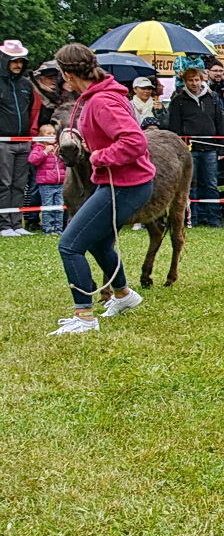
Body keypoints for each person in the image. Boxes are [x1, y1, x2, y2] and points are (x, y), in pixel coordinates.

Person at [45, 45, 156, 334]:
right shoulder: (97, 97)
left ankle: (84, 318)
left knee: (69, 245)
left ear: (67, 74)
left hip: (126, 186)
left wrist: (98, 156)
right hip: (120, 183)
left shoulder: (101, 101)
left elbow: (134, 142)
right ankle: (124, 295)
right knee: (97, 243)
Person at [167, 64, 224, 228]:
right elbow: (175, 127)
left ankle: (214, 219)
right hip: (189, 149)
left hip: (210, 148)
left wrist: (222, 147)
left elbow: (220, 123)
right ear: (185, 81)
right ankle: (191, 218)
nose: (194, 83)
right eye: (190, 80)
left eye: (197, 80)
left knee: (210, 184)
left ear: (202, 80)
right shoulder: (178, 100)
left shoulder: (212, 98)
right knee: (190, 185)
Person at [0, 41, 40, 236]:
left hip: (23, 141)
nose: (17, 65)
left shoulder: (26, 84)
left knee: (19, 185)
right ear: (5, 60)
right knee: (4, 184)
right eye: (13, 61)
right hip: (3, 142)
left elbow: (31, 110)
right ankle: (3, 225)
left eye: (20, 61)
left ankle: (16, 224)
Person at [28, 123, 66, 235]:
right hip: (46, 184)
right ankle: (47, 229)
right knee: (47, 208)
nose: (52, 136)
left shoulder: (58, 148)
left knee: (59, 208)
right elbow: (32, 160)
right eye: (48, 133)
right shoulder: (38, 148)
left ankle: (58, 229)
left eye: (54, 133)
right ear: (41, 136)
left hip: (60, 183)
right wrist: (45, 152)